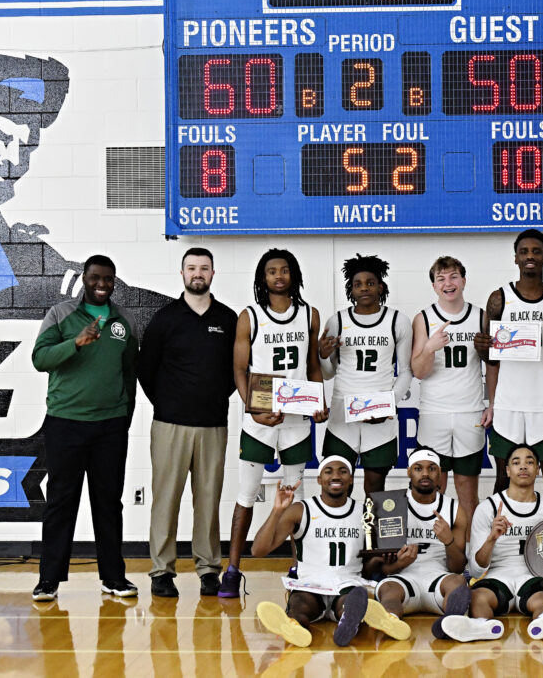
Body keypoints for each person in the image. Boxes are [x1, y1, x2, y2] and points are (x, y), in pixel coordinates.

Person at [0, 53, 168, 524]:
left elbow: (144, 308)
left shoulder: (31, 261)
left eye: (28, 146)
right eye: (0, 136)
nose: (15, 160)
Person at [218, 248, 327, 598]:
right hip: (260, 419)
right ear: (262, 278)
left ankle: (301, 569)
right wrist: (252, 407)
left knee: (297, 497)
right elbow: (239, 370)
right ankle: (233, 571)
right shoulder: (249, 316)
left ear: (294, 275)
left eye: (284, 270)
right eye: (271, 271)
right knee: (246, 495)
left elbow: (312, 365)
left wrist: (319, 398)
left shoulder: (310, 314)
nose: (278, 276)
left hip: (296, 420)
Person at [30, 255, 139, 601]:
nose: (102, 284)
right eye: (95, 278)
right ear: (84, 278)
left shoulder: (125, 320)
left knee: (109, 503)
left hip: (110, 426)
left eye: (108, 279)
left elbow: (129, 374)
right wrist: (75, 343)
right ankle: (48, 580)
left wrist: (124, 417)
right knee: (62, 501)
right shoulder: (61, 314)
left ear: (114, 281)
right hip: (66, 422)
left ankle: (114, 578)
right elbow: (39, 359)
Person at [136, 248, 237, 598]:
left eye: (204, 268)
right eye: (191, 268)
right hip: (170, 424)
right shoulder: (165, 318)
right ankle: (161, 571)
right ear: (182, 274)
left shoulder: (228, 319)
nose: (198, 273)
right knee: (166, 499)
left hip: (213, 424)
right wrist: (167, 403)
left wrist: (213, 398)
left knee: (208, 501)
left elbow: (236, 373)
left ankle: (209, 570)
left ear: (213, 273)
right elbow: (145, 370)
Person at [252, 456, 410, 647]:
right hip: (310, 584)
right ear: (319, 479)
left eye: (343, 471)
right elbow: (258, 550)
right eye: (329, 471)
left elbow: (369, 565)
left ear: (351, 479)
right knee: (299, 605)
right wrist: (277, 511)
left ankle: (348, 622)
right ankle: (293, 624)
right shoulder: (301, 510)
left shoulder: (364, 513)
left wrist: (387, 559)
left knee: (352, 602)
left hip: (347, 583)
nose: (336, 476)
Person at [440, 444, 543, 642]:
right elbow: (476, 570)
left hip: (534, 576)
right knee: (478, 598)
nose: (523, 467)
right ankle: (482, 626)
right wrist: (491, 539)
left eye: (529, 462)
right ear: (507, 470)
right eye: (516, 462)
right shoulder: (487, 508)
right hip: (498, 576)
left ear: (538, 469)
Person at [476, 229, 543, 503]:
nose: (530, 256)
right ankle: (496, 543)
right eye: (524, 252)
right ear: (516, 258)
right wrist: (482, 349)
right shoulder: (499, 298)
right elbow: (492, 358)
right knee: (503, 480)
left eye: (536, 251)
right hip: (508, 405)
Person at [319, 254, 412, 494]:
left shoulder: (398, 320)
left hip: (379, 416)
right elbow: (328, 374)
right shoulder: (337, 320)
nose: (364, 288)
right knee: (338, 490)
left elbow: (406, 371)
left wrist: (387, 405)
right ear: (350, 289)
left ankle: (371, 534)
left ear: (381, 286)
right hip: (342, 417)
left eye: (370, 282)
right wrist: (323, 355)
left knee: (375, 490)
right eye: (358, 284)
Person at [411, 256, 487, 524]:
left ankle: (470, 556)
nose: (448, 283)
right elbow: (419, 371)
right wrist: (430, 348)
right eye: (441, 279)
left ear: (463, 281)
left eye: (453, 277)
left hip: (470, 412)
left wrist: (493, 404)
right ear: (434, 286)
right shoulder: (423, 318)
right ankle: (439, 554)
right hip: (435, 413)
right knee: (434, 491)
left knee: (468, 494)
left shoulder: (480, 316)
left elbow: (495, 364)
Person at [372, 447, 472, 639]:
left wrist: (448, 541)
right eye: (418, 468)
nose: (425, 473)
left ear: (440, 473)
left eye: (432, 468)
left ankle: (451, 620)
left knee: (458, 583)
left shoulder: (453, 509)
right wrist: (400, 563)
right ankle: (390, 620)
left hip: (439, 577)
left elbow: (458, 567)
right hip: (403, 577)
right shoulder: (390, 504)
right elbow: (382, 568)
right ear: (409, 472)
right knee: (388, 589)